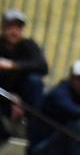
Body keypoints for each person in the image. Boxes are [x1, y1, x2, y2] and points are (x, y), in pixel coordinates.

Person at [0, 8, 47, 146]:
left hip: (22, 100)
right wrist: (10, 97)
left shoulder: (28, 45)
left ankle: (34, 134)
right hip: (3, 96)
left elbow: (42, 67)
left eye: (18, 27)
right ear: (3, 27)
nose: (14, 31)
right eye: (10, 26)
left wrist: (12, 65)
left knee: (35, 82)